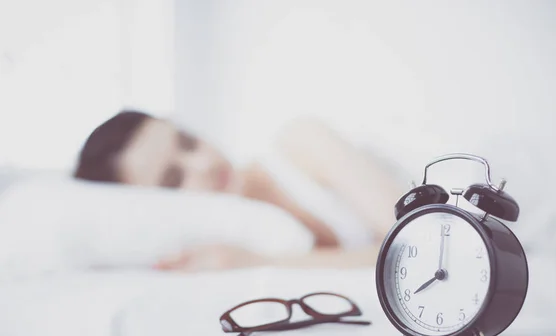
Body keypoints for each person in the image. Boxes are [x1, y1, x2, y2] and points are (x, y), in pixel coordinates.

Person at [74, 110, 410, 270]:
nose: (203, 164)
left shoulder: (300, 142)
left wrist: (258, 262)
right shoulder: (223, 248)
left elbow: (415, 244)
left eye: (188, 142)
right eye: (173, 180)